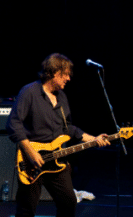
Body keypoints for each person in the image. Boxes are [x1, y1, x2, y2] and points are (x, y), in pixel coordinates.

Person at [6, 53, 111, 217]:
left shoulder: (62, 97)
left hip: (57, 159)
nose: (68, 79)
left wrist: (94, 139)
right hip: (31, 160)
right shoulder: (29, 92)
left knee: (68, 203)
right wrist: (30, 152)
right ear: (54, 72)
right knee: (27, 210)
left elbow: (67, 128)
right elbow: (14, 123)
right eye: (65, 74)